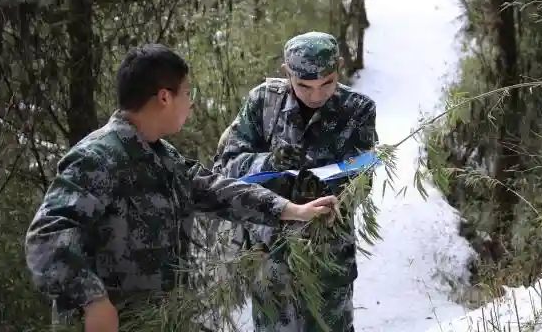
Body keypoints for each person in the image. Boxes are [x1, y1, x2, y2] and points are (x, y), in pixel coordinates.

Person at [25, 43, 339, 332]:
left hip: (161, 319)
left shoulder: (161, 155)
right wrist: (92, 300)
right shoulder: (97, 157)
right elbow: (47, 235)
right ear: (165, 97)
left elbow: (216, 189)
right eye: (187, 94)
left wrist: (289, 210)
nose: (190, 104)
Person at [213, 31, 378, 332]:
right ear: (286, 72)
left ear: (339, 67)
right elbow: (226, 165)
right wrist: (270, 163)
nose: (316, 95)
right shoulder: (263, 103)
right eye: (304, 85)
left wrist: (330, 194)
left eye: (326, 83)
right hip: (269, 252)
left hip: (326, 253)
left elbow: (361, 179)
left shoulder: (358, 110)